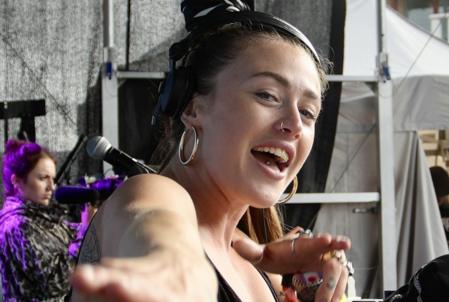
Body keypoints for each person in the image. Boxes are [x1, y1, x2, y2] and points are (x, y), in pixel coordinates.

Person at [71, 1, 351, 301]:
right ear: (192, 108)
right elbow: (159, 233)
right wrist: (171, 274)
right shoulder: (154, 192)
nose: (295, 124)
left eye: (308, 112)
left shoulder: (252, 257)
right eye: (267, 95)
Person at [0, 139, 87, 301]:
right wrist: (84, 235)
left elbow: (70, 232)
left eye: (52, 179)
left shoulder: (40, 217)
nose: (51, 187)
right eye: (42, 178)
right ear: (16, 181)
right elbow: (54, 285)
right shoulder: (17, 225)